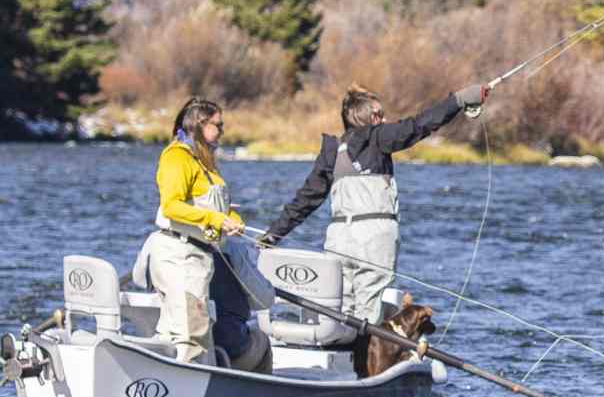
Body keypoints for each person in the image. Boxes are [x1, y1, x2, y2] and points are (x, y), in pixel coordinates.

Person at [259, 81, 488, 322]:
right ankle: (364, 356)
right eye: (383, 114)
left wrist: (272, 235)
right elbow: (420, 124)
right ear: (375, 117)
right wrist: (460, 99)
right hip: (374, 238)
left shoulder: (332, 151)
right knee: (369, 313)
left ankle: (340, 353)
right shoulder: (379, 137)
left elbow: (306, 200)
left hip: (338, 239)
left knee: (339, 311)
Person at [143, 98, 247, 363]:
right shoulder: (176, 157)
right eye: (217, 125)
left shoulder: (203, 160)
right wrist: (214, 219)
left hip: (199, 257)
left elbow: (213, 205)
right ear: (199, 124)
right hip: (179, 255)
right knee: (191, 334)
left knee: (196, 331)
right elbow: (171, 207)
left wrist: (231, 219)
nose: (222, 131)